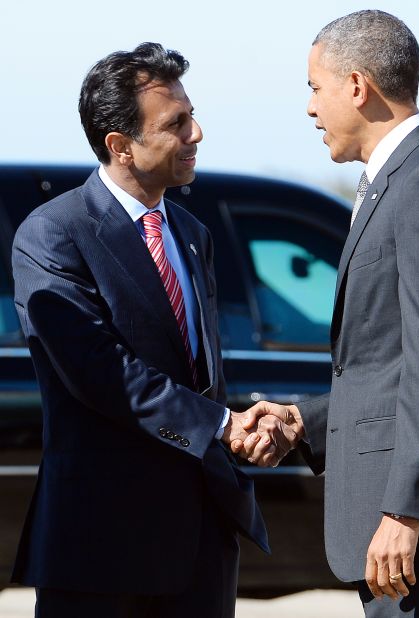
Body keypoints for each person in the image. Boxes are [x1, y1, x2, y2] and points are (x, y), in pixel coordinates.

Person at [234, 10, 419, 617]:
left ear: (356, 86)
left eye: (315, 88)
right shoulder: (395, 182)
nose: (310, 109)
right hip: (406, 530)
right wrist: (304, 420)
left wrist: (406, 510)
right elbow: (389, 368)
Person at [11, 42, 269, 618]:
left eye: (192, 114)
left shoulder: (191, 232)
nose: (196, 133)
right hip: (102, 547)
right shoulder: (53, 234)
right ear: (120, 147)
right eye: (176, 123)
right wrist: (223, 426)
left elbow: (199, 372)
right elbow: (100, 371)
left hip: (200, 547)